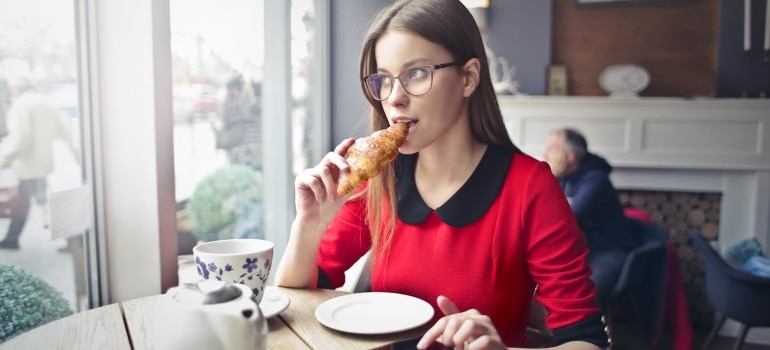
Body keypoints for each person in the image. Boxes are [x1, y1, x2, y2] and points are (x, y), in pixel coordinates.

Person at [275, 1, 609, 349]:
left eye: (416, 73)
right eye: (383, 80)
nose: (394, 98)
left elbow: (587, 340)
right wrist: (309, 225)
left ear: (468, 78)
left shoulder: (531, 188)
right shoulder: (379, 178)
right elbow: (295, 304)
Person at [544, 128, 639, 310]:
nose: (545, 153)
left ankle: (578, 337)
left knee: (581, 300)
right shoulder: (565, 178)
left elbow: (565, 220)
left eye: (551, 148)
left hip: (608, 251)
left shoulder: (596, 180)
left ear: (569, 157)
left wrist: (549, 177)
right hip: (580, 250)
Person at [0, 77, 78, 250]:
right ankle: (72, 239)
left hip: (28, 164)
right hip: (46, 162)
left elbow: (22, 138)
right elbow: (64, 130)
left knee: (25, 201)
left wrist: (5, 159)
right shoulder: (46, 102)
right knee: (43, 202)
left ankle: (12, 238)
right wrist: (76, 155)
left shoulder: (20, 106)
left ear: (15, 88)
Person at [217, 72, 262, 170]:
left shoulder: (249, 99)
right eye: (233, 89)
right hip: (234, 141)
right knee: (235, 165)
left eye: (237, 88)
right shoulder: (228, 102)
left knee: (248, 164)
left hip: (247, 141)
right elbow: (225, 120)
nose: (235, 91)